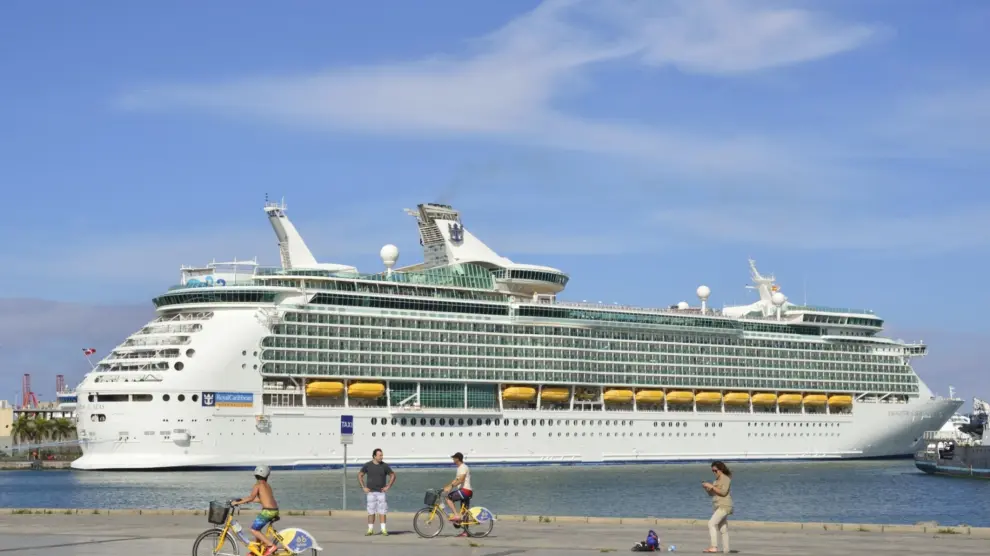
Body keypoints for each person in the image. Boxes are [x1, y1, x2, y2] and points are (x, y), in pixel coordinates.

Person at [232, 465, 280, 556]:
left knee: (254, 529)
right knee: (258, 529)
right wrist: (243, 500)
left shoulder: (257, 485)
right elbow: (261, 499)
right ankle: (257, 550)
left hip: (268, 511)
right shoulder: (267, 486)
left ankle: (271, 546)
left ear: (255, 475)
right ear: (266, 476)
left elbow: (251, 497)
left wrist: (237, 503)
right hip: (274, 510)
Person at [358, 448, 395, 536]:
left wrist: (388, 486)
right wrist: (363, 487)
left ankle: (383, 529)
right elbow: (360, 475)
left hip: (381, 492)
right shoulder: (368, 465)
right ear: (374, 456)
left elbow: (393, 475)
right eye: (380, 455)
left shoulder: (384, 466)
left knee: (382, 511)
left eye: (382, 455)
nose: (382, 457)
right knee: (371, 512)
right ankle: (370, 529)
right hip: (370, 492)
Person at [701, 460, 733, 553]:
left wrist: (711, 486)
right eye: (712, 471)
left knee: (711, 523)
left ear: (721, 469)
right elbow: (712, 494)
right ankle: (726, 550)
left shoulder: (726, 479)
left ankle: (714, 547)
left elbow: (723, 492)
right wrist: (707, 488)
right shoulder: (716, 481)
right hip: (718, 506)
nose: (714, 472)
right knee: (723, 528)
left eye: (715, 470)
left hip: (725, 505)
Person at [442, 452, 473, 530]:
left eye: (454, 458)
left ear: (457, 459)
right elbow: (456, 480)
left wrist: (451, 486)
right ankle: (466, 532)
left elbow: (461, 480)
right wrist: (447, 487)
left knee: (448, 497)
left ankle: (456, 515)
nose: (453, 459)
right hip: (467, 491)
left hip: (465, 490)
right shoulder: (460, 468)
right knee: (464, 512)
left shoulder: (463, 467)